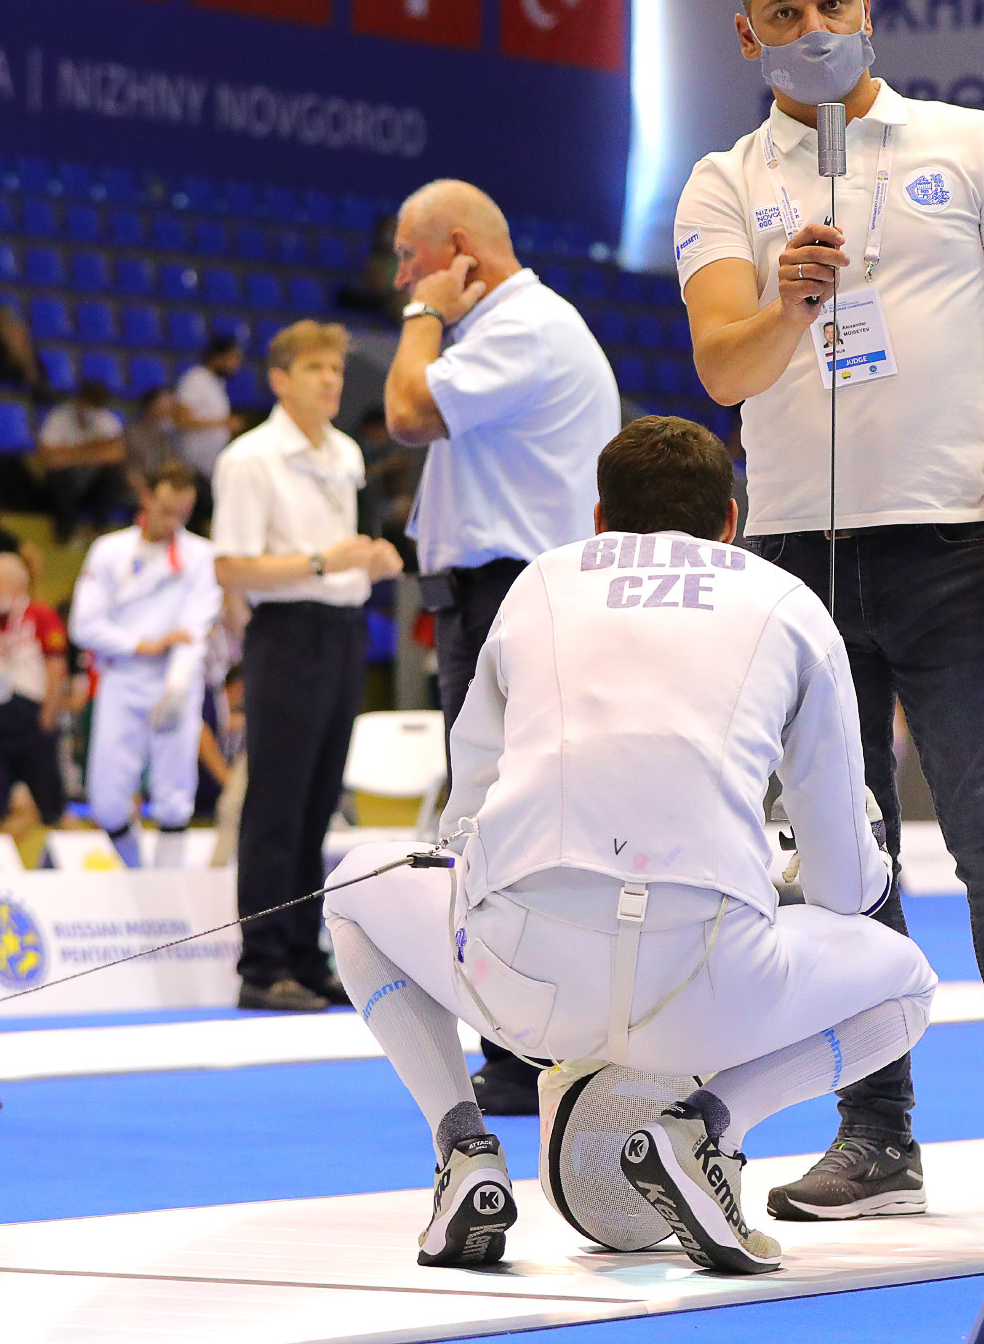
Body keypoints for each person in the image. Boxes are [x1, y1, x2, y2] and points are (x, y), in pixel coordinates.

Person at [324, 417, 935, 1274]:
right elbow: (845, 884)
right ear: (732, 521)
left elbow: (460, 821)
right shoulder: (788, 602)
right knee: (905, 983)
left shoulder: (541, 581)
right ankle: (705, 1129)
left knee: (353, 884)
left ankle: (463, 1150)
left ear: (600, 519)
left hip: (521, 981)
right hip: (708, 988)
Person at [673, 0, 984, 1226]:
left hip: (952, 540)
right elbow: (723, 369)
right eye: (782, 14)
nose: (811, 29)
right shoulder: (723, 183)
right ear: (748, 35)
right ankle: (878, 1129)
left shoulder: (970, 146)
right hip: (797, 556)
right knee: (850, 857)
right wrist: (786, 300)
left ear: (868, 6)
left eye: (829, 2)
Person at [382, 177, 620, 1115]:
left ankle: (528, 1050)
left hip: (512, 596)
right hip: (494, 597)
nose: (403, 274)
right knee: (495, 817)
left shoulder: (523, 325)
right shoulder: (510, 330)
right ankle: (527, 1041)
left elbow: (407, 409)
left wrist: (420, 312)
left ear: (459, 250)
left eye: (412, 256)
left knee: (504, 821)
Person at [211, 320, 403, 1012]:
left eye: (336, 369)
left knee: (319, 799)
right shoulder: (251, 457)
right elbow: (229, 564)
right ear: (279, 378)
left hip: (342, 627)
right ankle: (260, 962)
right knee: (276, 802)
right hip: (286, 630)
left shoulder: (346, 451)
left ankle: (302, 950)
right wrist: (325, 561)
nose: (331, 379)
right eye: (316, 367)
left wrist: (372, 559)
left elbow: (351, 547)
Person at [70, 463, 221, 867]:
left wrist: (176, 685)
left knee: (174, 798)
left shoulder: (202, 557)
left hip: (176, 680)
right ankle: (136, 870)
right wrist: (143, 644)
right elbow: (83, 625)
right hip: (121, 678)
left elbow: (193, 632)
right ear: (147, 498)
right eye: (168, 509)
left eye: (184, 513)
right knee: (105, 802)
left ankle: (167, 887)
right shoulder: (109, 550)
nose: (175, 521)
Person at [0, 549, 69, 832]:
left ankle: (71, 858)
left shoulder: (40, 614)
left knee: (52, 808)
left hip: (32, 715)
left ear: (16, 583)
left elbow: (56, 666)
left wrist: (49, 712)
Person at [35, 379, 128, 542]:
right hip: (62, 484)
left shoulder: (106, 419)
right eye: (87, 403)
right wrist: (94, 450)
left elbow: (117, 455)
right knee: (59, 476)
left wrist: (69, 454)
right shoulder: (58, 418)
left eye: (94, 405)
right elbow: (50, 459)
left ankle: (100, 528)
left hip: (91, 484)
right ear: (78, 401)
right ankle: (66, 532)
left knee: (114, 474)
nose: (89, 410)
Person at [174, 337, 242, 480]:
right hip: (194, 467)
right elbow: (182, 419)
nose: (236, 364)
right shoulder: (196, 379)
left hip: (212, 466)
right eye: (232, 358)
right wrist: (224, 423)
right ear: (217, 357)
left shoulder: (217, 383)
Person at [125, 386, 185, 501]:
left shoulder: (168, 434)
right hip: (137, 485)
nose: (168, 410)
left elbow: (173, 466)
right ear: (151, 406)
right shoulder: (133, 432)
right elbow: (132, 471)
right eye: (163, 406)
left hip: (163, 485)